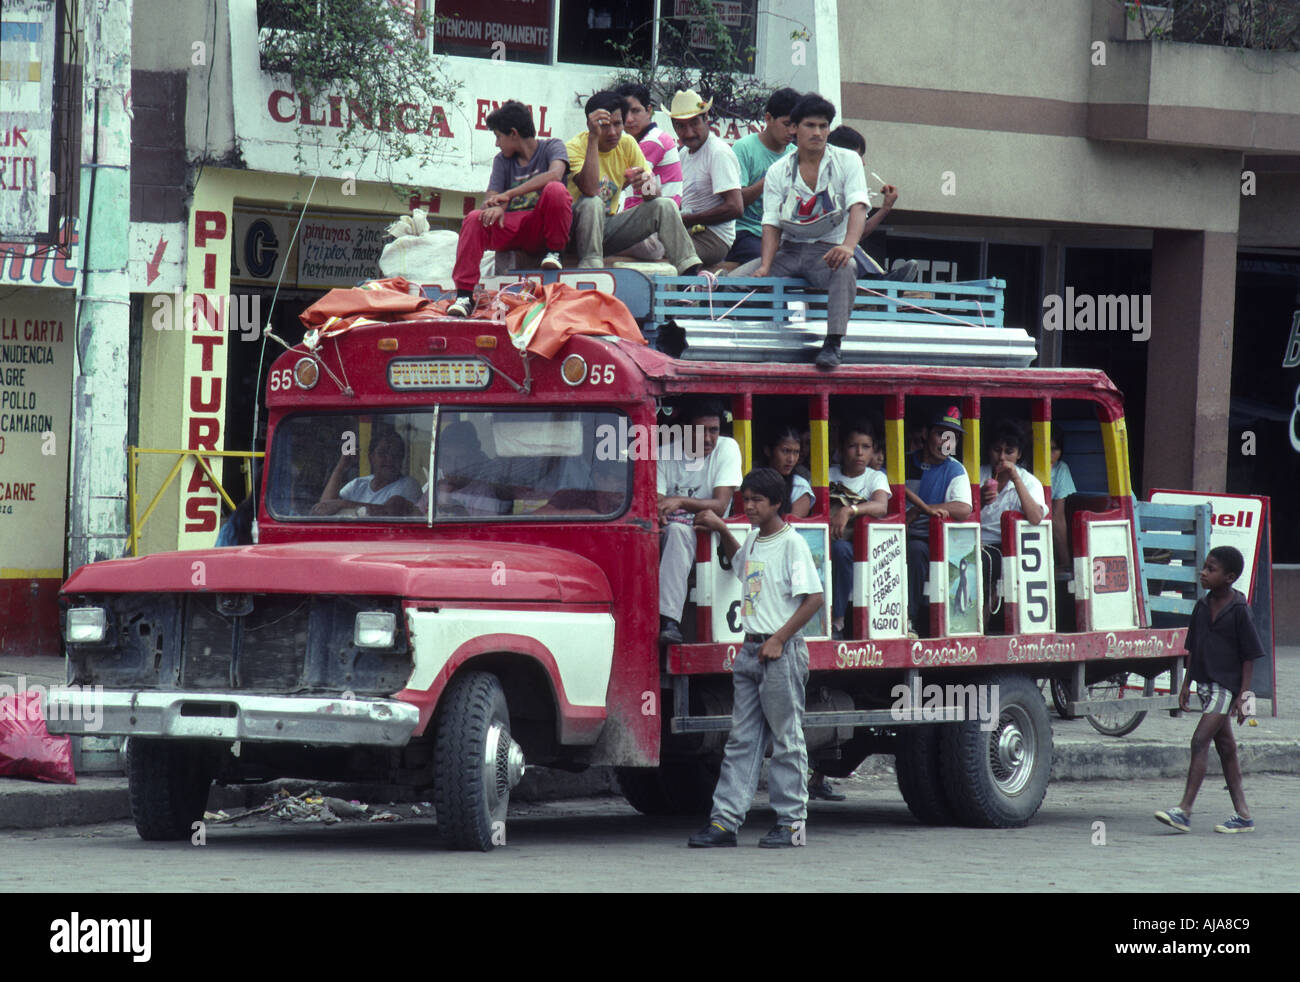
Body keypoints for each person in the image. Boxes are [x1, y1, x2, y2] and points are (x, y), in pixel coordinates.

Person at [688, 468, 824, 848]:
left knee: (786, 739)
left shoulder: (791, 543)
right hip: (751, 650)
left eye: (756, 501)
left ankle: (792, 824)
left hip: (778, 652)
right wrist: (722, 529)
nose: (748, 506)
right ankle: (724, 822)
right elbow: (740, 560)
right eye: (745, 499)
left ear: (776, 503)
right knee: (741, 741)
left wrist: (779, 639)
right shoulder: (755, 539)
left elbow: (814, 598)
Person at [754, 93, 899, 369]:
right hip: (790, 249)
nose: (818, 132)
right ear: (794, 128)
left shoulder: (848, 160)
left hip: (826, 250)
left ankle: (833, 343)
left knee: (847, 267)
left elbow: (858, 205)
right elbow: (771, 222)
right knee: (741, 281)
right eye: (810, 125)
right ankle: (756, 338)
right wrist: (765, 265)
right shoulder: (778, 170)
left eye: (824, 126)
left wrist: (847, 246)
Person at [1154, 546, 1265, 835]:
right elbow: (1194, 648)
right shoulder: (1202, 606)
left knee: (1199, 740)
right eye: (1204, 567)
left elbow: (1249, 656)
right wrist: (1185, 684)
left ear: (1229, 577)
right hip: (1204, 684)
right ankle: (1243, 815)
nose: (1203, 572)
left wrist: (1243, 695)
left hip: (1225, 688)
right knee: (1226, 748)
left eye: (1211, 569)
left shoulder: (1240, 610)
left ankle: (1184, 811)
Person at [447, 101, 571, 317]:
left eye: (498, 136)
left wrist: (509, 195)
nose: (497, 143)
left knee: (555, 190)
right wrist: (495, 206)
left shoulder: (553, 146)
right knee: (475, 218)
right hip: (512, 226)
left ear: (513, 134)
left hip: (540, 226)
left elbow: (555, 175)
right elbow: (493, 196)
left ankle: (555, 252)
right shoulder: (502, 161)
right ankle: (464, 296)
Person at [566, 91, 702, 274]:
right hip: (575, 233)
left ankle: (690, 271)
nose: (613, 132)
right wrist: (593, 138)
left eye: (618, 124)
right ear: (591, 126)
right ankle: (592, 269)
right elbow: (590, 189)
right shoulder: (574, 147)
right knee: (593, 202)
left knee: (664, 205)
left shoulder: (627, 143)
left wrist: (647, 184)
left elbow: (652, 195)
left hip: (607, 229)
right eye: (605, 126)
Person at [657, 400, 743, 644]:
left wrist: (679, 501)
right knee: (672, 531)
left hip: (713, 539)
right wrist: (667, 507)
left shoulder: (727, 448)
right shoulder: (665, 452)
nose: (708, 438)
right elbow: (658, 501)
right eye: (700, 431)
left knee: (678, 532)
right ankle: (665, 619)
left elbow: (720, 504)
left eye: (713, 430)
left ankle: (669, 620)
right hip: (668, 537)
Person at [904, 407, 973, 635]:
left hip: (930, 540)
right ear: (926, 434)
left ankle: (909, 619)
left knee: (915, 550)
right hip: (894, 534)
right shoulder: (904, 463)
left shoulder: (955, 469)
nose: (946, 443)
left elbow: (963, 508)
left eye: (951, 438)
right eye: (941, 435)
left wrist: (922, 510)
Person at [825, 125, 918, 283]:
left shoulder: (847, 185)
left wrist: (885, 208)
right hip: (817, 254)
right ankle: (880, 282)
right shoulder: (823, 183)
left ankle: (879, 280)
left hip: (834, 253)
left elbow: (859, 233)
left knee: (851, 244)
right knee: (846, 244)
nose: (862, 162)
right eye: (857, 156)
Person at [977, 421, 1047, 625]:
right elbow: (963, 514)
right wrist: (980, 500)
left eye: (1009, 451)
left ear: (1019, 455)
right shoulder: (977, 475)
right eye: (997, 450)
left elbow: (1035, 517)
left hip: (1009, 547)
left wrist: (1015, 478)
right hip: (975, 542)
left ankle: (985, 622)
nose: (1002, 457)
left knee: (991, 563)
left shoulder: (1029, 482)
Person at [666, 89, 743, 267]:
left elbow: (735, 208)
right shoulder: (683, 153)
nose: (689, 132)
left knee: (663, 259)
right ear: (674, 127)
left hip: (714, 238)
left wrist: (686, 220)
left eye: (694, 123)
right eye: (681, 126)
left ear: (706, 118)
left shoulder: (718, 152)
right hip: (689, 231)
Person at [829, 421, 892, 639]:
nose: (859, 453)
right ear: (841, 447)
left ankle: (837, 620)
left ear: (873, 449)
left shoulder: (875, 477)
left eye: (865, 447)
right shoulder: (829, 473)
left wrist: (849, 510)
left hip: (859, 546)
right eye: (853, 446)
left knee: (840, 550)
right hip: (825, 539)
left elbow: (881, 506)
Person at [725, 87, 798, 265]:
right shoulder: (744, 149)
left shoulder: (796, 154)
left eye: (796, 125)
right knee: (771, 261)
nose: (792, 132)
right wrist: (770, 179)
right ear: (768, 119)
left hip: (784, 234)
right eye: (786, 124)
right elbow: (736, 202)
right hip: (747, 232)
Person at [313, 430, 421, 517]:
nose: (389, 459)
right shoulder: (358, 484)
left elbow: (390, 512)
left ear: (402, 459)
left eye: (395, 454)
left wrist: (343, 504)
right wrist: (341, 467)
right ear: (371, 457)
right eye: (382, 453)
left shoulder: (408, 484)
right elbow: (323, 508)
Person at [615, 82, 683, 209]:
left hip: (656, 217)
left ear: (649, 111)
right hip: (649, 212)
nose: (629, 119)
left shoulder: (654, 140)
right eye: (624, 112)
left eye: (635, 111)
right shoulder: (640, 140)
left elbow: (615, 184)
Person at [761, 423, 813, 519]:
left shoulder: (799, 486)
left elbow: (788, 528)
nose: (791, 459)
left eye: (796, 452)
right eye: (785, 451)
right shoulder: (755, 481)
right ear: (768, 451)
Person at [1049, 426, 1077, 573]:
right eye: (1045, 448)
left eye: (1054, 449)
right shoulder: (1022, 468)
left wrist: (1065, 562)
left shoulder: (1060, 469)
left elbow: (1057, 517)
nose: (1050, 454)